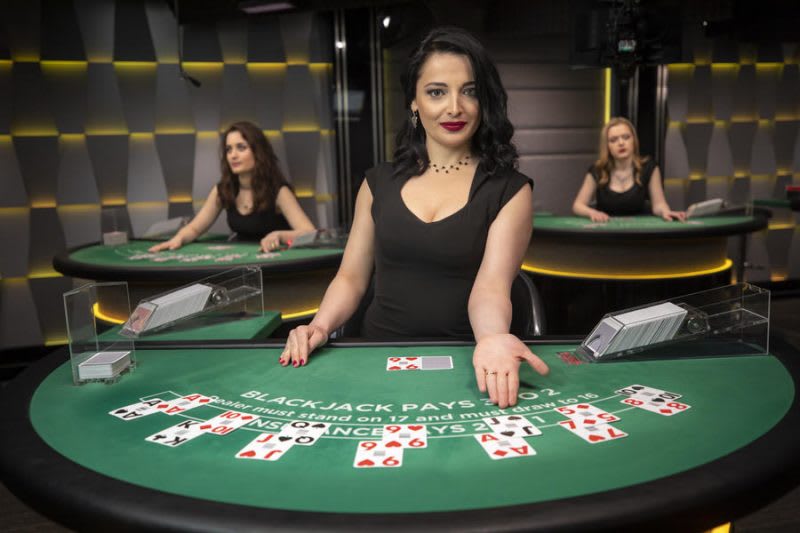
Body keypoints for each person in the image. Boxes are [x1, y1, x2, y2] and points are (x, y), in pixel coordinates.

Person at [279, 27, 549, 408]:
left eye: (469, 91)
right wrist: (318, 326)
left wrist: (490, 340)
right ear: (414, 103)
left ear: (484, 101)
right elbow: (351, 277)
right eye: (437, 92)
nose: (454, 107)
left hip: (468, 361)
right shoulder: (377, 182)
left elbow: (491, 287)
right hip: (375, 356)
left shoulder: (510, 189)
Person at [149, 121, 315, 253]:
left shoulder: (279, 191)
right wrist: (177, 239)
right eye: (229, 149)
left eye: (241, 148)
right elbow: (194, 228)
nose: (233, 155)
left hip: (277, 262)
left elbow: (309, 233)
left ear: (259, 152)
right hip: (242, 265)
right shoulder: (223, 190)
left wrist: (279, 235)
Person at [572, 117, 686, 223]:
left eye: (626, 137)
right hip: (606, 232)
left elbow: (659, 204)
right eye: (613, 140)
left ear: (634, 141)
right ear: (607, 146)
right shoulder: (597, 170)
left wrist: (665, 212)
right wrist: (592, 212)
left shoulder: (649, 167)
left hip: (640, 234)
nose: (621, 143)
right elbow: (578, 205)